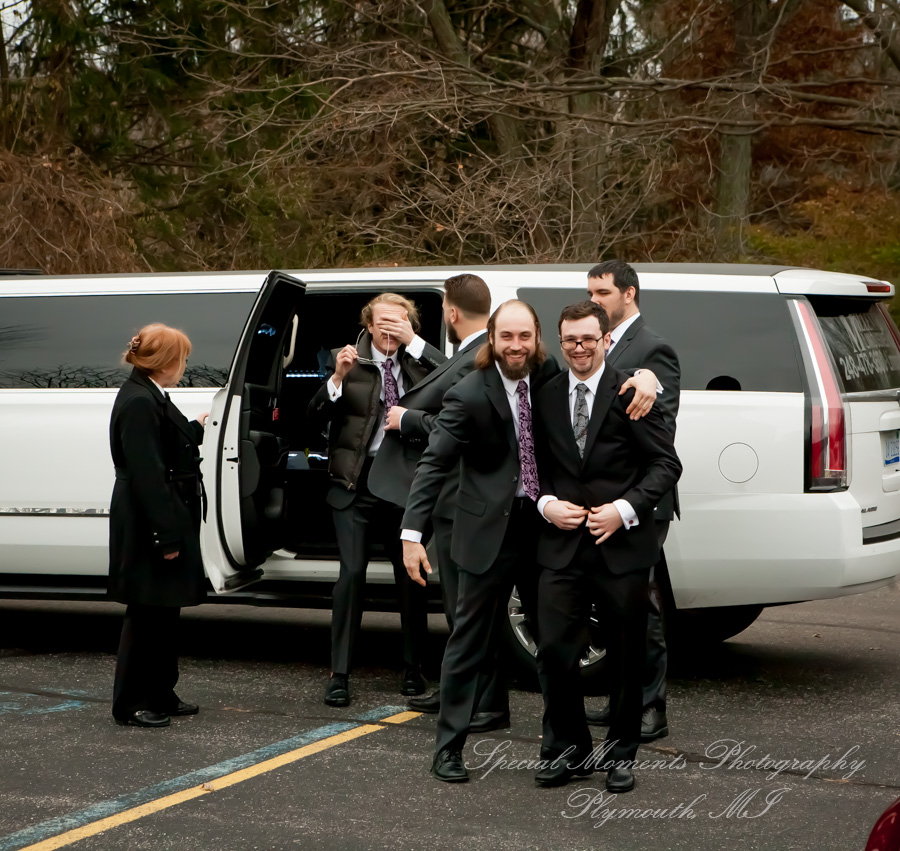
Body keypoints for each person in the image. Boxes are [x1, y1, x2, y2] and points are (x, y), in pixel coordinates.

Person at [532, 300, 682, 793]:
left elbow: (666, 464)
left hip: (622, 548)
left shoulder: (631, 392)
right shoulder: (546, 395)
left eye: (588, 340)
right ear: (560, 342)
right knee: (555, 652)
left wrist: (625, 509)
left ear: (605, 340)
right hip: (562, 546)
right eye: (570, 340)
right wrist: (546, 503)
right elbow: (537, 467)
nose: (579, 348)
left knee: (624, 656)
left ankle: (621, 754)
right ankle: (568, 750)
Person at [369, 273, 501, 728]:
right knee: (460, 607)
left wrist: (408, 419)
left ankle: (482, 702)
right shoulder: (470, 352)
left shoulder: (480, 356)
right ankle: (461, 692)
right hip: (454, 498)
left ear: (451, 312)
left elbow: (458, 427)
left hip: (461, 497)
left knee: (467, 608)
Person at [307, 293, 446, 707]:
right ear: (368, 325)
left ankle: (413, 667)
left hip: (404, 483)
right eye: (382, 321)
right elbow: (312, 417)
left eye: (399, 322)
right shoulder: (348, 360)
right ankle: (340, 673)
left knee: (410, 575)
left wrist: (415, 343)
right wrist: (337, 378)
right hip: (355, 483)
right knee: (351, 575)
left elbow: (456, 377)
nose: (389, 329)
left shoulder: (421, 362)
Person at [584, 259, 681, 742]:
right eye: (590, 293)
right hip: (604, 499)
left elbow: (662, 419)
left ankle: (650, 706)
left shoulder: (652, 348)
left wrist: (648, 379)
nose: (594, 301)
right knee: (613, 602)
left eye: (602, 293)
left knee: (642, 604)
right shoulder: (597, 343)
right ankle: (623, 699)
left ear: (629, 293)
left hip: (642, 499)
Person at [108, 324, 209, 728]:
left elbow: (167, 443)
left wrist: (196, 427)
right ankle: (131, 703)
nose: (184, 365)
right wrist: (165, 536)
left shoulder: (151, 393)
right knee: (146, 612)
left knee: (165, 611)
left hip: (166, 512)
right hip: (149, 519)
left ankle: (161, 693)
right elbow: (147, 474)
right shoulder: (138, 401)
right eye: (182, 359)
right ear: (166, 362)